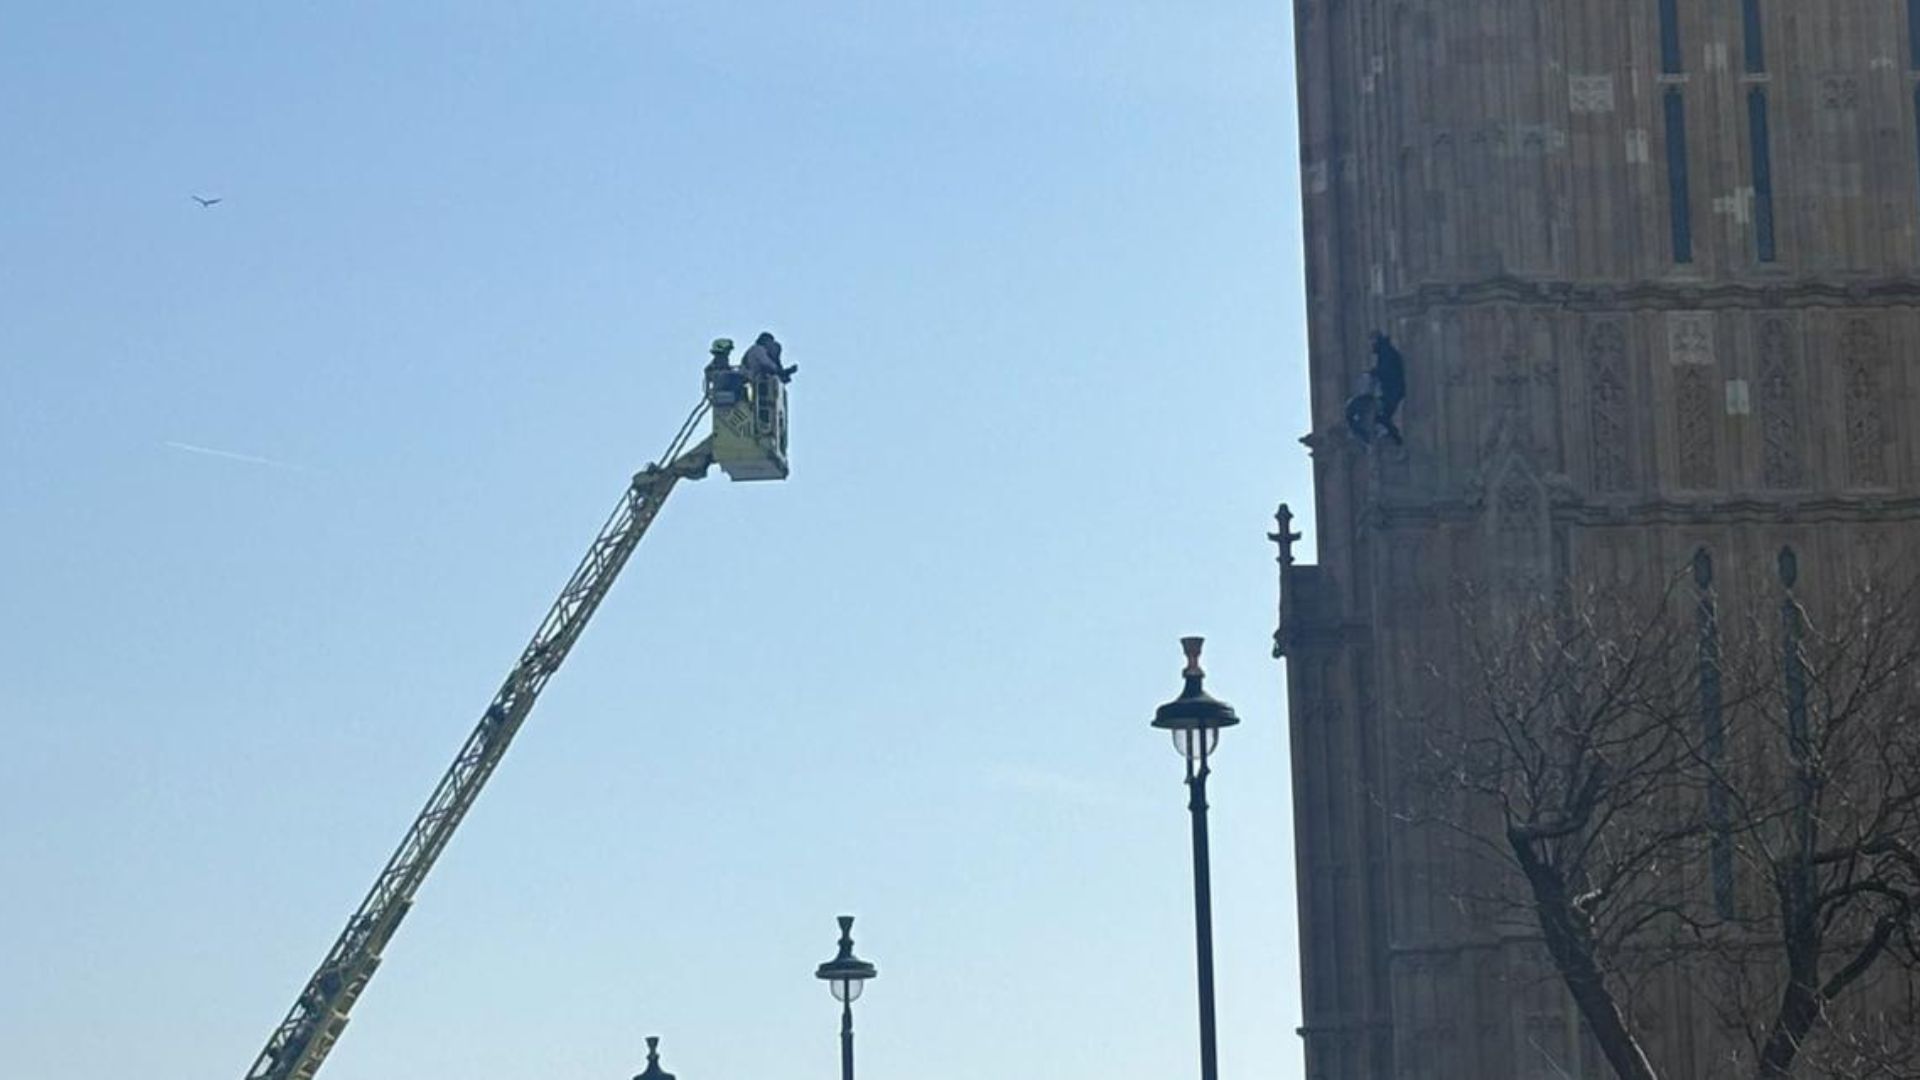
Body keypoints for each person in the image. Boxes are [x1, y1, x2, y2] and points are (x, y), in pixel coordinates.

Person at [1369, 331, 1406, 445]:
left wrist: (1376, 372)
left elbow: (1388, 371)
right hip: (1390, 391)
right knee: (1380, 416)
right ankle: (1395, 439)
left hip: (1393, 390)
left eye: (1372, 342)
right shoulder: (1384, 352)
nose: (1371, 346)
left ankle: (1397, 441)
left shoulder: (1386, 352)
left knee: (1382, 416)